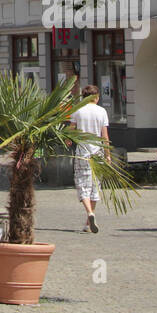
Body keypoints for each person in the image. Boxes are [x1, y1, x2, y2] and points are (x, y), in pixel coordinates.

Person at [69, 84, 110, 233]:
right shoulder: (102, 112)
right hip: (97, 151)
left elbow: (70, 131)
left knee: (82, 183)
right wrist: (108, 155)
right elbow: (105, 136)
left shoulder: (78, 110)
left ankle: (89, 214)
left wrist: (67, 140)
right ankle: (88, 221)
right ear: (97, 97)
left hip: (82, 152)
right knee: (95, 186)